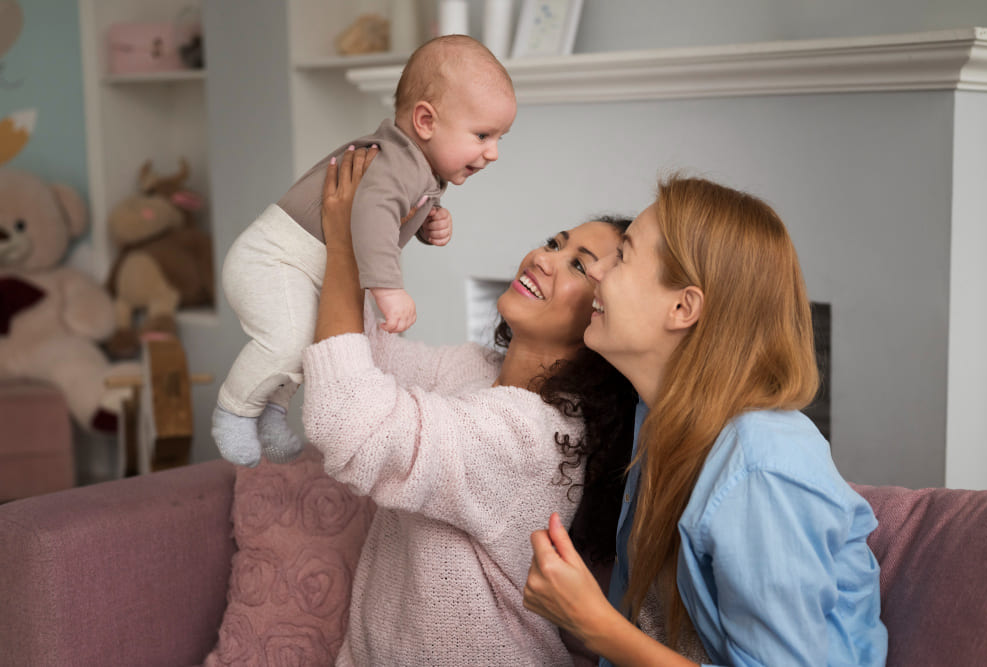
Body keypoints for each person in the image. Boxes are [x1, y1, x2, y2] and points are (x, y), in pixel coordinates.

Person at [523, 175, 889, 666]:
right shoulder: (658, 420)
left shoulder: (760, 466)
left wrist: (594, 622)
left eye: (623, 257)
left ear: (682, 307)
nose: (598, 273)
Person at [302, 145, 636, 665]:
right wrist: (380, 229)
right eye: (554, 242)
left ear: (603, 314)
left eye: (576, 265)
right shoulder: (477, 369)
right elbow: (359, 355)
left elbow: (346, 419)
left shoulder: (537, 436)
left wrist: (345, 248)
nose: (542, 258)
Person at [212, 35, 518, 467]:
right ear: (426, 121)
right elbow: (371, 214)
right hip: (274, 258)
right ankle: (234, 410)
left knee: (308, 344)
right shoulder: (395, 161)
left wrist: (429, 224)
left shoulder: (420, 171)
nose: (494, 153)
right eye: (483, 135)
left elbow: (388, 213)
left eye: (501, 137)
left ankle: (271, 413)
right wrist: (388, 288)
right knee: (285, 341)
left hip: (304, 267)